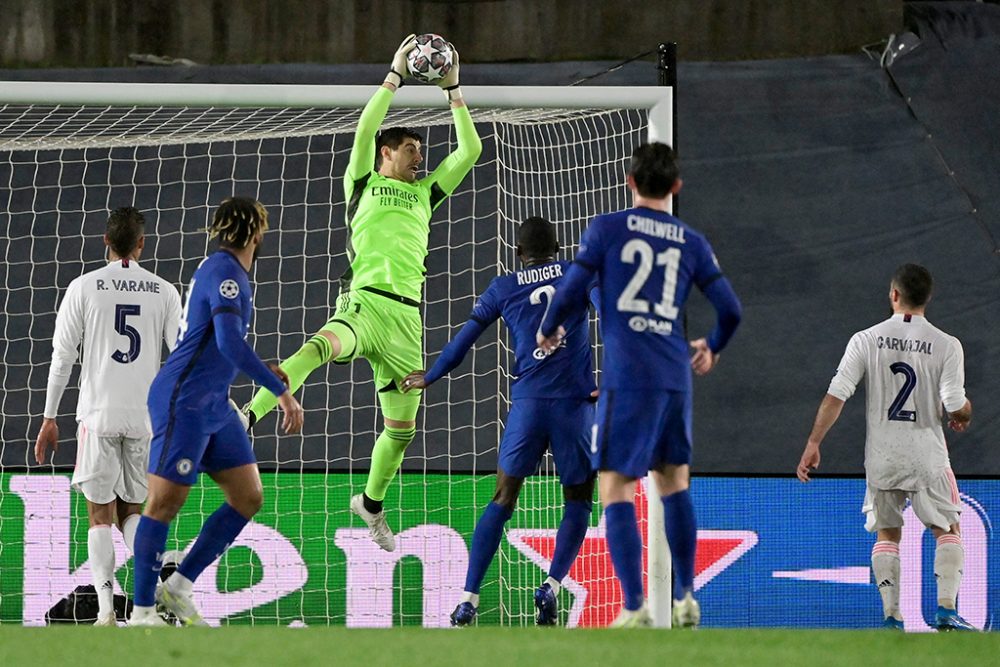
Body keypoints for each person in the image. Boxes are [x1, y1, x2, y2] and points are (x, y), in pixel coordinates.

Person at [241, 35, 482, 552]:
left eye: (422, 152)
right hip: (365, 304)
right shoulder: (361, 182)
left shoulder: (426, 194)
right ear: (386, 153)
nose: (420, 158)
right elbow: (365, 126)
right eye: (412, 150)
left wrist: (453, 90)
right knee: (317, 348)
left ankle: (370, 505)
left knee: (401, 432)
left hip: (407, 323)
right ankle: (247, 416)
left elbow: (471, 150)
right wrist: (394, 75)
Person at [537, 142, 742, 628]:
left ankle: (634, 606)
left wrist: (549, 326)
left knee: (615, 485)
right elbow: (732, 310)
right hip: (674, 378)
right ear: (676, 187)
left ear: (629, 181)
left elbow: (570, 292)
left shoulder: (607, 229)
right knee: (673, 483)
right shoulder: (690, 240)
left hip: (628, 379)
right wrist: (711, 345)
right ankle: (687, 596)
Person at [402, 217, 598, 627]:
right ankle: (552, 586)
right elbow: (613, 320)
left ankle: (469, 600)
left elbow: (463, 341)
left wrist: (431, 375)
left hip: (528, 407)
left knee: (503, 498)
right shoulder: (580, 275)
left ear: (518, 253)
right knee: (578, 499)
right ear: (558, 248)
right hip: (574, 408)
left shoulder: (503, 287)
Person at [128, 197, 304, 627]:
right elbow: (227, 342)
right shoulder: (225, 272)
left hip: (215, 403)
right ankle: (142, 612)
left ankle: (179, 589)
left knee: (248, 497)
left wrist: (260, 369)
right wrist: (278, 388)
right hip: (184, 399)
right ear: (257, 234)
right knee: (164, 504)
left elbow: (224, 347)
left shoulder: (229, 273)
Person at [796, 264, 975, 632]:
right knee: (948, 529)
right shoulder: (947, 345)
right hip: (927, 455)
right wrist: (964, 415)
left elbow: (837, 394)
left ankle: (892, 617)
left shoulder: (866, 339)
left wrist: (814, 442)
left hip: (882, 457)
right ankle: (945, 610)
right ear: (928, 297)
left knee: (887, 533)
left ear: (894, 295)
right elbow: (954, 401)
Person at [34, 207, 182, 626]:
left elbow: (63, 358)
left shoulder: (83, 288)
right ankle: (150, 598)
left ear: (105, 241)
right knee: (133, 514)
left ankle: (104, 614)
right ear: (141, 244)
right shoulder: (164, 291)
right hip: (143, 419)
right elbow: (181, 356)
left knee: (99, 516)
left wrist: (49, 418)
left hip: (97, 417)